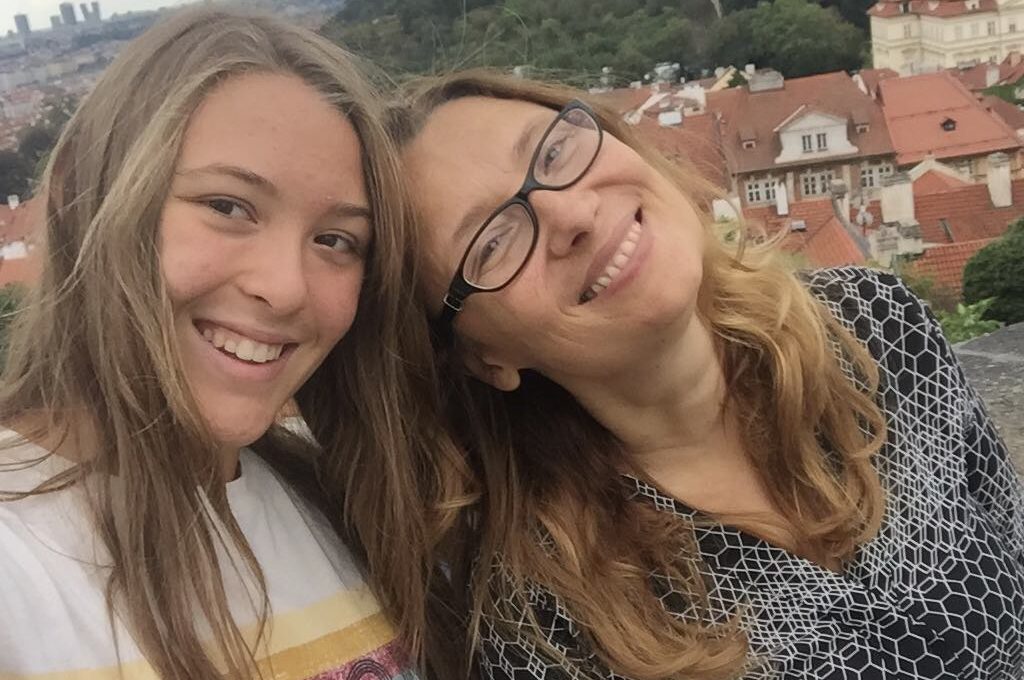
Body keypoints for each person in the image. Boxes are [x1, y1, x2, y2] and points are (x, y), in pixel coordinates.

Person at [389, 71, 1024, 679]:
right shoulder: (537, 616)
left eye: (553, 152)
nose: (572, 214)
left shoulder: (874, 326)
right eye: (492, 242)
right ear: (485, 358)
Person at [0, 9, 432, 680]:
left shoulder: (351, 501)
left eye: (336, 240)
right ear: (78, 199)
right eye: (228, 207)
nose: (285, 288)